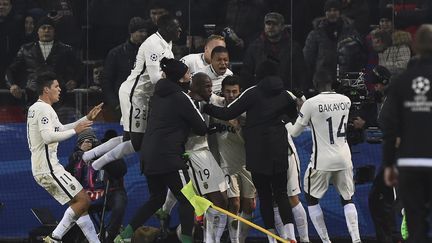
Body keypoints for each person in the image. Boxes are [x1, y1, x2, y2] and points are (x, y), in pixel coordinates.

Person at [203, 61, 299, 242]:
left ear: (258, 74)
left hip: (257, 152)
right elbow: (293, 116)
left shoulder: (252, 93)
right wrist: (278, 122)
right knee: (281, 194)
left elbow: (227, 114)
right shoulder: (285, 94)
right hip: (279, 149)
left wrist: (206, 107)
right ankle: (290, 237)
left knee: (263, 195)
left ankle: (272, 239)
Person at [114, 58, 206, 243]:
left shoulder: (157, 95)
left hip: (148, 157)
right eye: (188, 73)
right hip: (169, 158)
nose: (190, 76)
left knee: (156, 199)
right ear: (181, 79)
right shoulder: (182, 97)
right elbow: (201, 127)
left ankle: (123, 237)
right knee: (188, 200)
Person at [82, 14, 182, 171]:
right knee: (137, 143)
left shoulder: (166, 43)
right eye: (177, 27)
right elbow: (157, 78)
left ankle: (88, 157)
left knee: (128, 139)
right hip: (135, 95)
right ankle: (94, 165)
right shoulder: (153, 44)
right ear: (166, 28)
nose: (180, 30)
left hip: (142, 96)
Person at [26, 70, 103, 243]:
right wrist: (75, 131)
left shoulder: (39, 108)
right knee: (83, 201)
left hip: (45, 167)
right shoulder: (43, 109)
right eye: (56, 86)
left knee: (79, 206)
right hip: (48, 168)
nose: (60, 89)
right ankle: (55, 238)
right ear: (46, 90)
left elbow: (59, 129)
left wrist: (86, 118)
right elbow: (48, 137)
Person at [286, 69, 361, 243]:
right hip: (344, 158)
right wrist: (303, 101)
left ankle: (326, 241)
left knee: (311, 199)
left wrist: (287, 122)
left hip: (322, 161)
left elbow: (296, 132)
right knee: (347, 198)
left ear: (315, 84)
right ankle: (356, 239)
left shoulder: (311, 103)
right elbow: (323, 115)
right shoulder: (346, 100)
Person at [156, 73, 230, 243]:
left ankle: (195, 232)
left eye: (211, 86)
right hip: (194, 155)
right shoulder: (186, 103)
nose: (210, 90)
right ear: (194, 86)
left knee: (222, 201)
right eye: (206, 86)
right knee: (214, 201)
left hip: (206, 152)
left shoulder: (204, 102)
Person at [380, 24, 432, 243]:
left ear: (415, 46)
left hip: (410, 162)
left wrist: (389, 164)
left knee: (414, 222)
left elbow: (388, 126)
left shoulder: (401, 82)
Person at [209, 75, 256, 243]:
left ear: (240, 92)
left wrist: (239, 126)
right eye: (227, 91)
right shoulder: (216, 106)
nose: (230, 95)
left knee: (248, 205)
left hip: (247, 164)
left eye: (234, 91)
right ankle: (234, 241)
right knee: (234, 203)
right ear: (222, 92)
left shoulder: (247, 111)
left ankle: (241, 239)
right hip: (226, 164)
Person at [67, 129, 128, 243]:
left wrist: (103, 155)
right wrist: (80, 157)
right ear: (79, 145)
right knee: (75, 209)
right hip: (88, 195)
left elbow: (121, 171)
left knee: (119, 204)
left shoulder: (105, 152)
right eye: (84, 142)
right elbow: (68, 176)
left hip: (111, 192)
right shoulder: (76, 157)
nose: (88, 144)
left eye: (90, 141)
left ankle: (110, 236)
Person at [6, 16, 82, 106]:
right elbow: (10, 70)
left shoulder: (65, 49)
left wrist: (75, 81)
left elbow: (80, 67)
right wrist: (12, 85)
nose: (46, 31)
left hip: (59, 97)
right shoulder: (26, 49)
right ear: (37, 31)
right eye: (43, 28)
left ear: (54, 31)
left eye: (50, 28)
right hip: (32, 95)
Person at [241, 12, 309, 91]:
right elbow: (246, 74)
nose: (271, 27)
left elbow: (301, 74)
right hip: (262, 93)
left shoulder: (293, 47)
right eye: (268, 24)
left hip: (287, 93)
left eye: (275, 24)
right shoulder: (254, 47)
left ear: (282, 27)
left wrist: (300, 94)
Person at [102, 17, 151, 120]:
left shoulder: (150, 52)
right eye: (140, 31)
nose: (144, 34)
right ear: (132, 32)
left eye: (145, 31)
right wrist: (115, 104)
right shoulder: (116, 53)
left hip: (145, 104)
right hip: (122, 104)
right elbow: (107, 80)